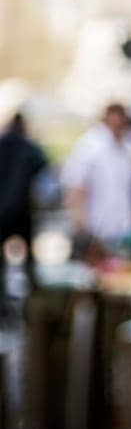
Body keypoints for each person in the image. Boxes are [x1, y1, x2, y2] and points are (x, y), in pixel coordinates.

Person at [60, 102, 131, 259]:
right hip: (98, 228)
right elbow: (76, 186)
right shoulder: (90, 145)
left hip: (127, 227)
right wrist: (81, 225)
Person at [0, 112, 48, 294]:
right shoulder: (30, 148)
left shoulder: (3, 144)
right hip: (22, 209)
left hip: (2, 210)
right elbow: (43, 169)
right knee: (28, 257)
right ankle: (33, 291)